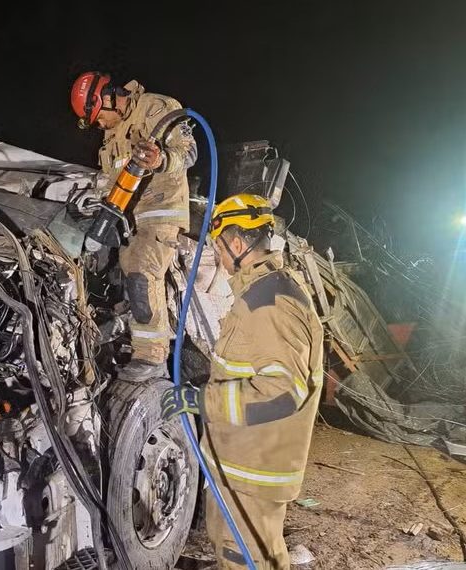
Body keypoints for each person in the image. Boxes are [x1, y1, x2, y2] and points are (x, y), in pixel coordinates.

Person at [160, 194, 324, 569]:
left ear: (236, 244)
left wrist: (202, 400)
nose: (217, 256)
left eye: (217, 247)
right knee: (235, 554)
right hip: (240, 466)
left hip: (255, 472)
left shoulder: (270, 305)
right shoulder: (259, 292)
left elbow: (283, 393)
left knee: (246, 559)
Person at [70, 71, 197, 382]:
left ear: (108, 99)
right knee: (105, 275)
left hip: (160, 212)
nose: (99, 126)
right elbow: (110, 182)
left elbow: (189, 153)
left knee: (142, 271)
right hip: (127, 220)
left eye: (98, 118)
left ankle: (152, 356)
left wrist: (161, 159)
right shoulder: (110, 138)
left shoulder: (156, 108)